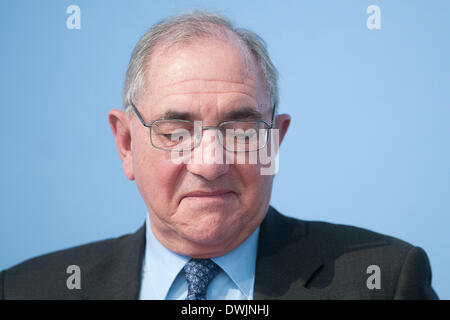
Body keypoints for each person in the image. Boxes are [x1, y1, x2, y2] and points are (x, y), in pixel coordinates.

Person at [0, 11, 438, 300]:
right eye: (175, 132)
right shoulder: (27, 290)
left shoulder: (385, 281)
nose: (209, 164)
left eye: (242, 131)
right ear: (127, 144)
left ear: (275, 142)